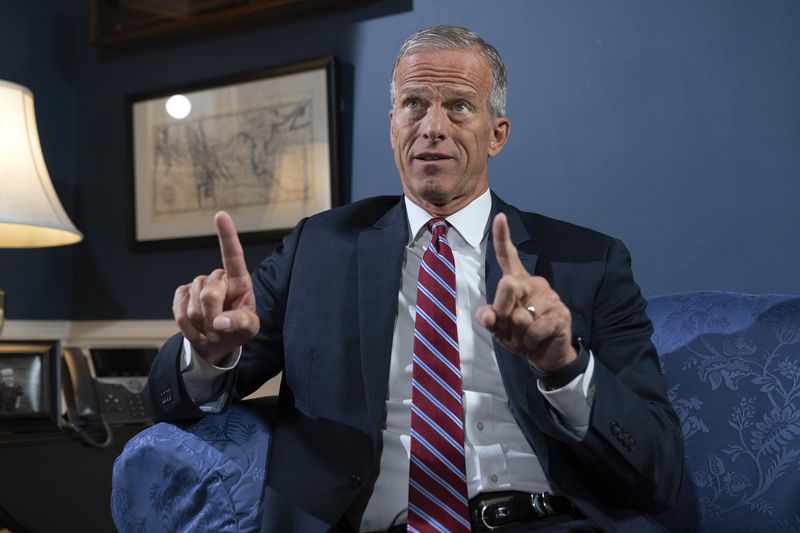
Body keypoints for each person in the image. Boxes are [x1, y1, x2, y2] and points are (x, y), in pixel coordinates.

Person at [147, 25, 683, 532]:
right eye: (414, 104)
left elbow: (659, 468)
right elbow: (171, 399)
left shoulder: (588, 262)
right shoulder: (319, 248)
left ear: (496, 134)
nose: (432, 127)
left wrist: (564, 368)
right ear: (393, 125)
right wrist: (207, 352)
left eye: (458, 106)